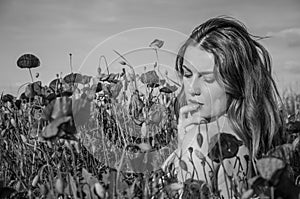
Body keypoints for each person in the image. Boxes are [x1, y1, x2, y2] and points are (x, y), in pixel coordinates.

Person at [162, 16, 285, 198]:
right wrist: (182, 145)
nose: (192, 89)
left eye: (208, 78)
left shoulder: (203, 140)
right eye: (187, 75)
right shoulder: (252, 137)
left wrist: (190, 145)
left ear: (236, 82)